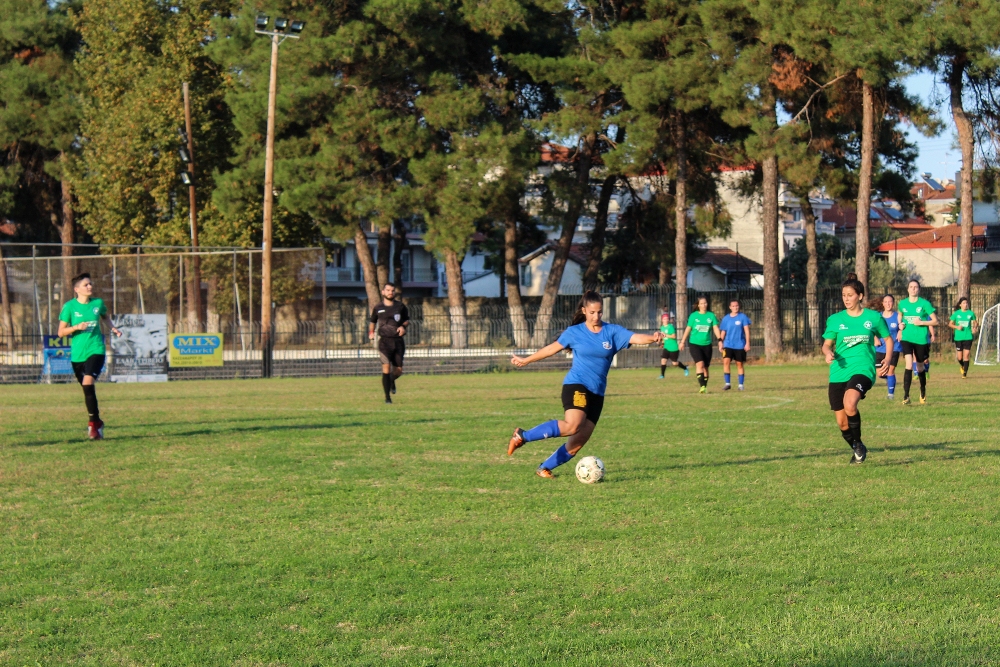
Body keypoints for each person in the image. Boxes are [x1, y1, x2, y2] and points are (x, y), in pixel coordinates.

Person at [506, 291, 663, 478]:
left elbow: (635, 337)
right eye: (592, 312)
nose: (596, 316)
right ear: (584, 311)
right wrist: (526, 360)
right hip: (577, 385)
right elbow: (551, 349)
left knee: (577, 442)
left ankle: (544, 468)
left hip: (597, 393)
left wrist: (653, 337)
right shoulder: (574, 332)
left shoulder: (611, 331)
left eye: (599, 312)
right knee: (572, 426)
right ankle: (522, 436)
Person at [821, 274, 890, 464]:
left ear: (860, 296)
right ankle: (858, 446)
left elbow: (888, 339)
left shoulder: (873, 317)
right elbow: (826, 344)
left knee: (850, 403)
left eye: (850, 295)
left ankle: (858, 445)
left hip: (863, 369)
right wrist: (827, 352)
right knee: (842, 423)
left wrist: (888, 359)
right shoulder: (835, 319)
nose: (846, 299)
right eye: (844, 295)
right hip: (838, 371)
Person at [57, 272, 122, 440]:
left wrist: (113, 328)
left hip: (96, 350)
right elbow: (60, 332)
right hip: (78, 355)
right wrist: (75, 327)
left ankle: (93, 424)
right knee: (87, 390)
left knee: (88, 382)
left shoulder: (98, 303)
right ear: (76, 289)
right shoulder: (69, 307)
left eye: (90, 284)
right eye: (86, 285)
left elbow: (105, 316)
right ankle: (97, 420)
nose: (90, 286)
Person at [897, 279, 938, 405]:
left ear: (919, 289)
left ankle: (923, 391)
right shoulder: (902, 303)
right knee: (909, 364)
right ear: (908, 289)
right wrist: (900, 325)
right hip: (906, 338)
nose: (913, 289)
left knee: (920, 367)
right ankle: (906, 396)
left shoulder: (924, 304)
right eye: (911, 287)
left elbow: (935, 321)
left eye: (916, 287)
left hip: (920, 339)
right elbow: (900, 315)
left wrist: (922, 323)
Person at [368, 283, 409, 404]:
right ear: (383, 292)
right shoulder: (378, 307)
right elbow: (372, 321)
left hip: (398, 342)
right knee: (386, 367)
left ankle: (391, 380)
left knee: (398, 370)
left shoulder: (400, 306)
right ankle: (387, 398)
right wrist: (371, 332)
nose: (390, 292)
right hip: (384, 342)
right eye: (388, 290)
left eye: (392, 290)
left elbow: (406, 320)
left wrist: (402, 326)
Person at [679, 296, 721, 393]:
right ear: (698, 305)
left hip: (707, 344)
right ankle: (702, 386)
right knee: (700, 364)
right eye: (701, 303)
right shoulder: (693, 316)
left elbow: (715, 328)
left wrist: (720, 340)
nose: (704, 305)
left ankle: (704, 386)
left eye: (705, 303)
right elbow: (688, 329)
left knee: (706, 367)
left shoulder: (711, 316)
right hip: (694, 344)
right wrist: (682, 342)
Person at [871, 294, 903, 399]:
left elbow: (903, 325)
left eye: (890, 302)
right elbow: (872, 329)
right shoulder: (878, 316)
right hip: (880, 347)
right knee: (880, 373)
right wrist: (875, 338)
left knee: (890, 370)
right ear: (883, 303)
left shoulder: (897, 316)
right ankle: (891, 380)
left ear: (893, 303)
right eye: (886, 302)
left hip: (894, 347)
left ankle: (890, 395)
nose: (888, 304)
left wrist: (901, 331)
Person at [718, 299, 751, 391]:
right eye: (733, 306)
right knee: (726, 362)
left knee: (739, 364)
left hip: (739, 345)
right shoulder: (726, 318)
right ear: (730, 307)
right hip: (728, 344)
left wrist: (747, 343)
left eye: (736, 306)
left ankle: (741, 385)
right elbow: (723, 331)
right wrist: (721, 343)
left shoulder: (743, 317)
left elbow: (747, 331)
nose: (735, 307)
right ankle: (727, 384)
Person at [948, 297, 978, 378]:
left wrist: (975, 327)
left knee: (966, 355)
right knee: (959, 357)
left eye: (966, 303)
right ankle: (962, 366)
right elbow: (950, 324)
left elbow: (975, 322)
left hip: (968, 337)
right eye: (964, 303)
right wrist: (957, 327)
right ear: (960, 304)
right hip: (958, 338)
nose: (966, 304)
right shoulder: (956, 314)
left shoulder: (971, 313)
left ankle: (965, 373)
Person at [658, 310, 688, 378]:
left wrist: (666, 335)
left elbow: (674, 336)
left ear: (668, 320)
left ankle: (685, 368)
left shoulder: (670, 327)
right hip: (666, 347)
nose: (665, 320)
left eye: (667, 319)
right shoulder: (662, 328)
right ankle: (662, 375)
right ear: (662, 320)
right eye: (664, 319)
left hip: (673, 348)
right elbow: (663, 338)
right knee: (663, 360)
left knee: (674, 363)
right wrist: (662, 343)